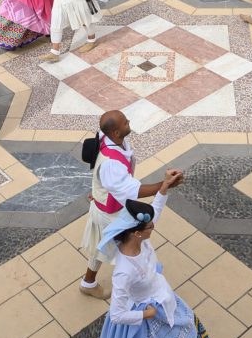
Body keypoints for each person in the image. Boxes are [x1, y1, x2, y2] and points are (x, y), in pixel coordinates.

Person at [92, 177, 215, 338]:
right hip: (147, 315)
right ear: (137, 233)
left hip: (163, 299)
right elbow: (116, 314)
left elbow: (154, 213)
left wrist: (164, 188)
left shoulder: (138, 238)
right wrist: (145, 315)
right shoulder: (124, 272)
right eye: (149, 229)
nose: (153, 228)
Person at [79, 110, 184, 299]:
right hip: (109, 213)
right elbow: (131, 191)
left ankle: (88, 283)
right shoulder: (111, 164)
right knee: (132, 245)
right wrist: (165, 185)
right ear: (116, 134)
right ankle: (140, 283)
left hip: (104, 204)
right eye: (125, 123)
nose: (129, 122)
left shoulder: (106, 135)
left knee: (100, 246)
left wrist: (97, 189)